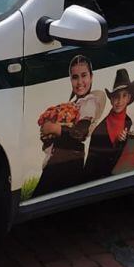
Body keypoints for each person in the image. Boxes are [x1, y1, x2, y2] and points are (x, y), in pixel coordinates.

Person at [34, 55, 105, 197]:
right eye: (75, 77)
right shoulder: (73, 103)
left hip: (70, 159)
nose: (79, 82)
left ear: (91, 77)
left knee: (47, 196)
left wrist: (55, 129)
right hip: (60, 156)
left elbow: (80, 133)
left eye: (84, 76)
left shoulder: (90, 102)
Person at [83, 69, 134, 181]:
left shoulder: (129, 122)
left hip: (123, 177)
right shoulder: (99, 131)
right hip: (100, 181)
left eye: (124, 96)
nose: (120, 101)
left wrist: (124, 142)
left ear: (129, 98)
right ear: (111, 99)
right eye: (116, 97)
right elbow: (90, 167)